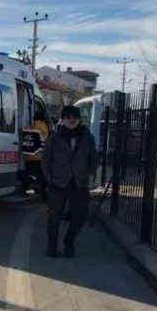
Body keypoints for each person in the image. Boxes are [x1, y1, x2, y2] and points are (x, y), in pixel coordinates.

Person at [42, 104, 99, 258]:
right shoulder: (55, 138)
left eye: (75, 117)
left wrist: (91, 173)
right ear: (63, 119)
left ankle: (69, 242)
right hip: (58, 183)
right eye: (68, 117)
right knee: (54, 217)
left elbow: (93, 158)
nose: (72, 120)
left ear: (79, 119)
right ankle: (51, 247)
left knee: (80, 216)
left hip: (79, 183)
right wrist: (49, 178)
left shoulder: (87, 137)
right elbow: (45, 159)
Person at [21, 101, 51, 201]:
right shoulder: (44, 127)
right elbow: (45, 141)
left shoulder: (30, 126)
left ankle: (23, 190)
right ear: (44, 119)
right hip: (39, 156)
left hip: (27, 155)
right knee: (43, 176)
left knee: (28, 172)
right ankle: (44, 196)